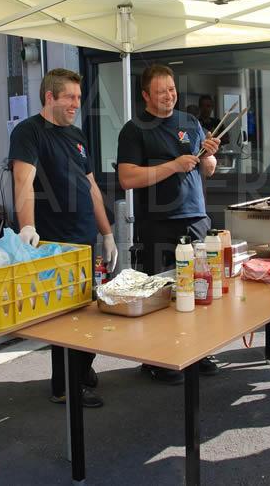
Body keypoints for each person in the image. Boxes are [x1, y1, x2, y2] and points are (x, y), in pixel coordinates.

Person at [9, 68, 118, 409]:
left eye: (78, 98)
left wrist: (107, 233)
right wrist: (27, 226)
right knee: (67, 320)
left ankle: (82, 369)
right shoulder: (29, 132)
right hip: (55, 244)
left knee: (90, 311)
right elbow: (23, 181)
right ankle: (65, 387)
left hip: (85, 241)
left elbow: (92, 187)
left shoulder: (76, 135)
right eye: (70, 97)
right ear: (49, 97)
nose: (76, 104)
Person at [117, 64, 221, 383]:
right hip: (157, 223)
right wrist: (173, 166)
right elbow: (127, 177)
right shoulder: (134, 129)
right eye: (161, 91)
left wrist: (209, 155)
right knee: (160, 293)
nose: (168, 96)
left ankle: (198, 351)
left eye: (172, 89)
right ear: (146, 95)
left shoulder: (190, 121)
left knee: (199, 286)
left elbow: (208, 169)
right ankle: (157, 359)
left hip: (195, 217)